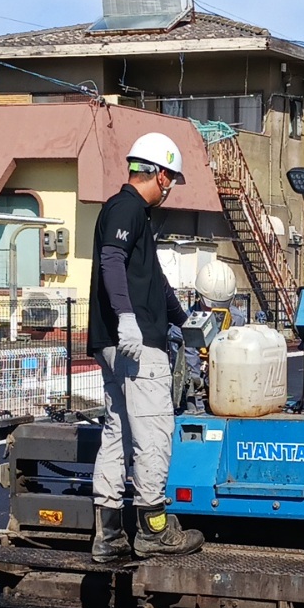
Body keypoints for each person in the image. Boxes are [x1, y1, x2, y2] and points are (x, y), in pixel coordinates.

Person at [88, 132, 203, 563]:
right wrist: (128, 318)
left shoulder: (135, 217)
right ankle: (154, 529)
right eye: (169, 178)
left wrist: (186, 322)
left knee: (118, 433)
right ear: (156, 173)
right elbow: (112, 261)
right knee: (154, 432)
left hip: (115, 344)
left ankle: (109, 536)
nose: (170, 187)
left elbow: (154, 280)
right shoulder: (127, 207)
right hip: (137, 347)